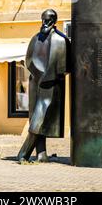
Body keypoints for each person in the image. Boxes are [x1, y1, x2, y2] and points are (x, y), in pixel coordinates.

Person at [17, 9, 70, 163]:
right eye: (42, 20)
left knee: (39, 120)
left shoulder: (61, 40)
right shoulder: (35, 38)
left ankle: (23, 154)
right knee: (36, 117)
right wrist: (38, 73)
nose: (44, 23)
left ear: (54, 21)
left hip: (51, 84)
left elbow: (65, 66)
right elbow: (28, 59)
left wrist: (48, 76)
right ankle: (41, 154)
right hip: (35, 82)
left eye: (47, 20)